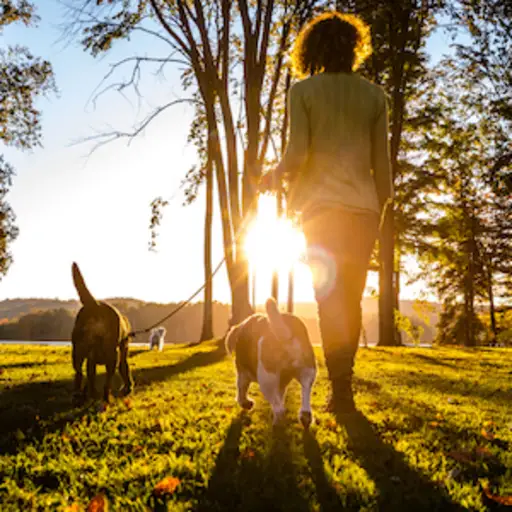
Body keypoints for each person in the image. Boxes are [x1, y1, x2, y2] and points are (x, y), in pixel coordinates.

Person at [261, 12, 393, 413]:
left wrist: (274, 174)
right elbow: (382, 167)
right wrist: (380, 207)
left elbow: (297, 154)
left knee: (328, 297)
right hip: (364, 210)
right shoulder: (374, 96)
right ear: (355, 49)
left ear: (311, 51)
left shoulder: (303, 93)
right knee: (350, 297)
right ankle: (342, 387)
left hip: (320, 210)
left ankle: (342, 388)